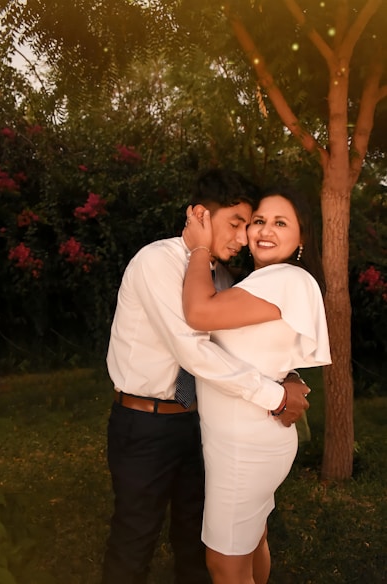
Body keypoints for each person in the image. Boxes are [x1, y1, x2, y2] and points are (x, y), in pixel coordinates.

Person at [101, 169, 311, 584]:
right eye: (235, 223)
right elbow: (193, 352)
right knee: (135, 537)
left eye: (245, 226)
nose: (241, 237)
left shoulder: (220, 279)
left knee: (196, 539)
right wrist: (273, 396)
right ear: (199, 215)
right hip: (145, 424)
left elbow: (245, 346)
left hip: (199, 424)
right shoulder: (156, 262)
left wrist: (289, 376)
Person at [181, 186, 332, 584]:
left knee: (224, 564)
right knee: (251, 543)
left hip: (243, 450)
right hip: (252, 439)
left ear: (302, 238)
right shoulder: (267, 281)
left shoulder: (284, 279)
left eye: (281, 223)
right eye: (259, 221)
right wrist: (291, 378)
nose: (265, 230)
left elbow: (198, 312)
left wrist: (199, 248)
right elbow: (273, 352)